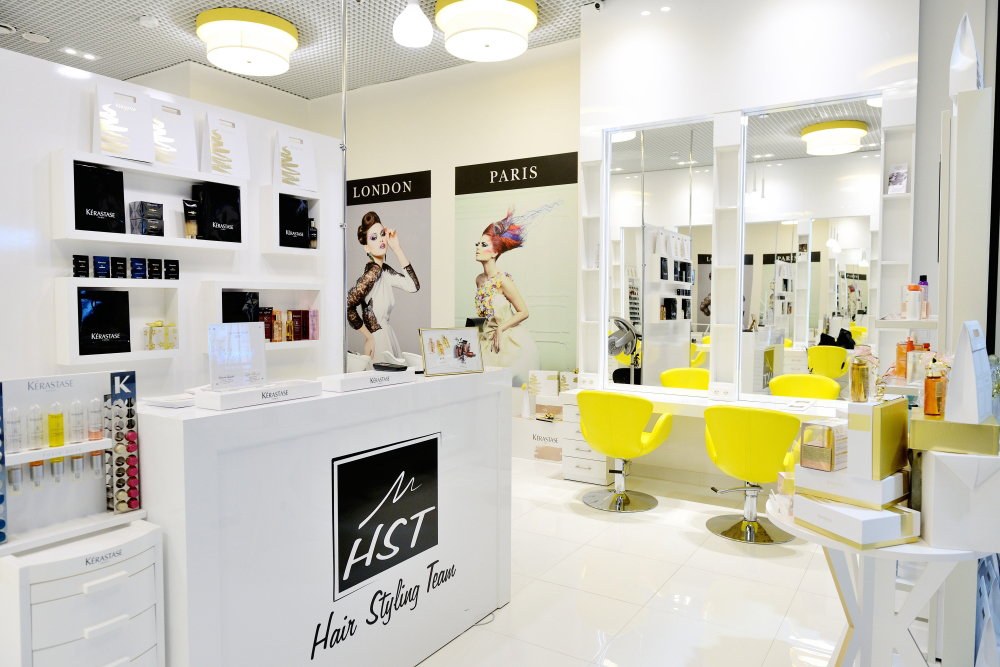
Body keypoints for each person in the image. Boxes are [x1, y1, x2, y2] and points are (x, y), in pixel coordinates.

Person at [474, 209, 539, 386]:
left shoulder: (503, 280)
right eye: (477, 244)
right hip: (487, 338)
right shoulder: (479, 280)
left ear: (495, 253)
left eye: (484, 245)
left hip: (508, 338)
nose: (478, 248)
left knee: (509, 388)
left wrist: (501, 328)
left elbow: (524, 312)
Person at [347, 211, 419, 361]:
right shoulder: (372, 272)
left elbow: (413, 286)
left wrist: (396, 248)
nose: (381, 239)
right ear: (367, 248)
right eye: (374, 237)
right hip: (378, 341)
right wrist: (368, 337)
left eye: (382, 234)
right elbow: (348, 305)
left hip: (388, 336)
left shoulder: (383, 270)